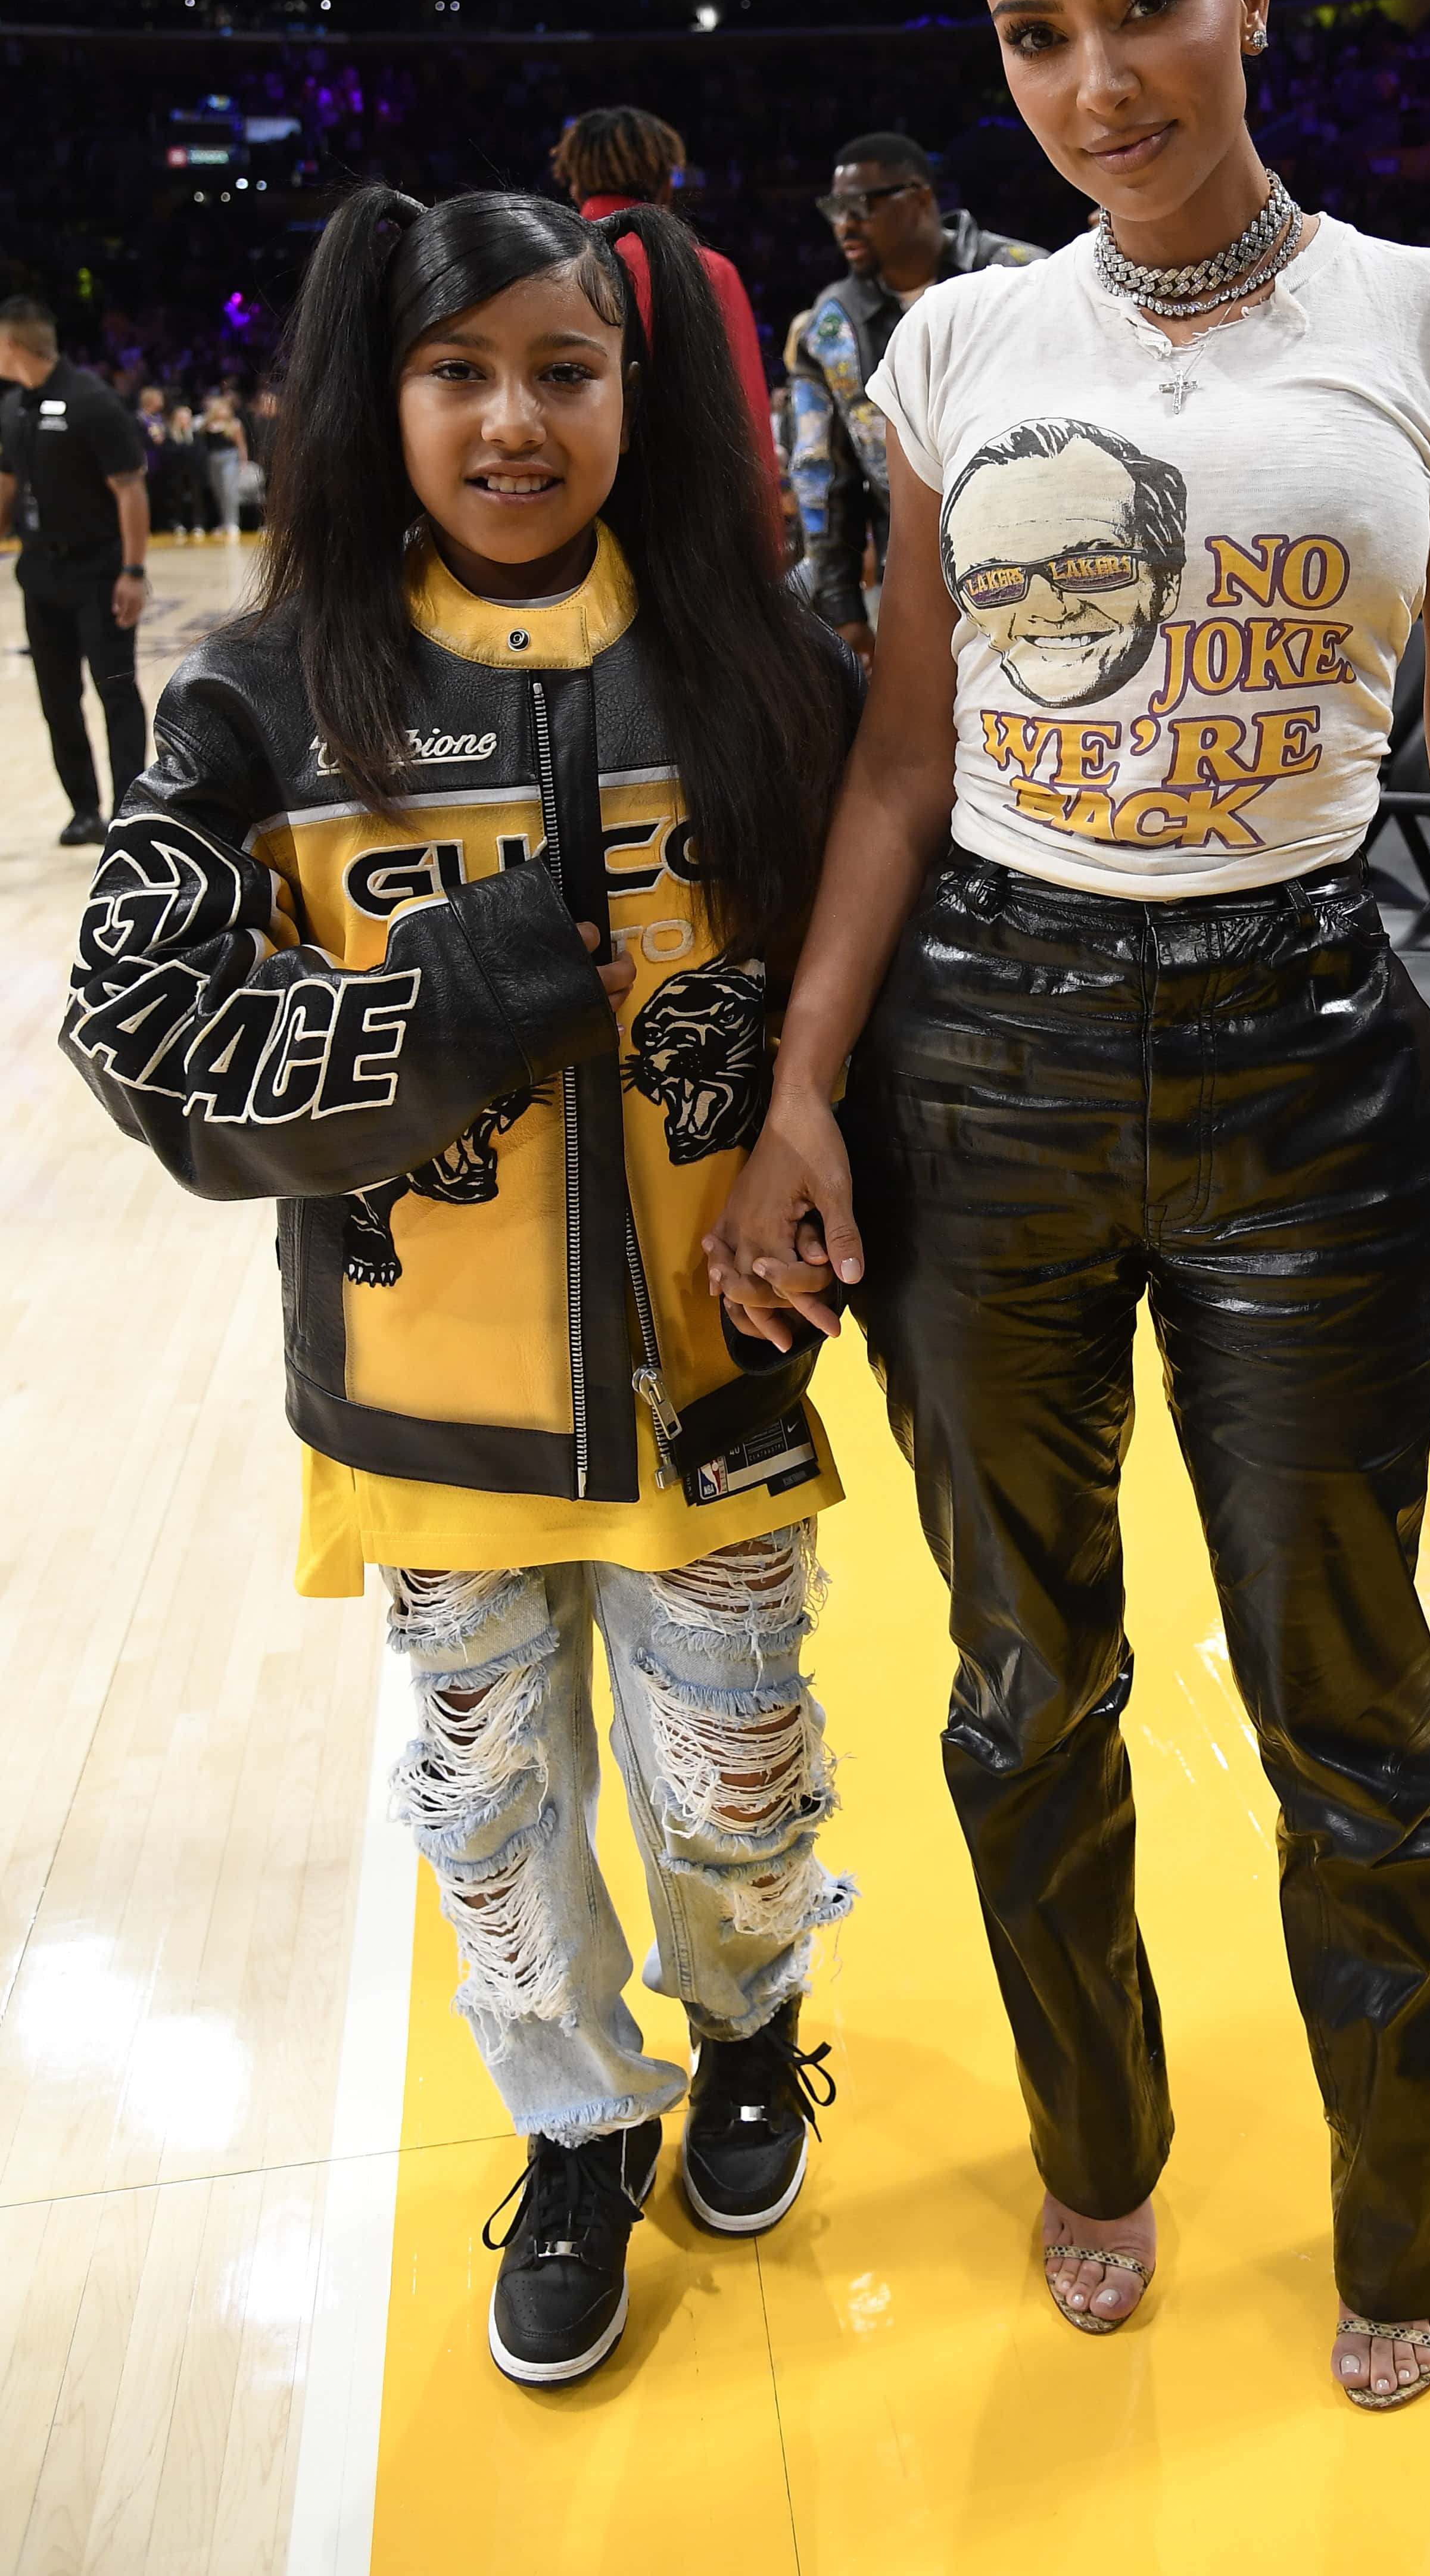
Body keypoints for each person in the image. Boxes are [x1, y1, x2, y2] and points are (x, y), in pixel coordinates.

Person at [706, 0, 1430, 2412]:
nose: (1095, 82)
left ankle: (1400, 2199)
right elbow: (896, 754)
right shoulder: (952, 339)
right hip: (987, 1068)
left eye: (1144, 7)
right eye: (1032, 39)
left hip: (1319, 1061)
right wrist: (805, 1078)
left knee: (1348, 1706)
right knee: (1015, 1679)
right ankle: (1099, 2141)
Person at [61, 189, 861, 2388]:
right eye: (455, 372)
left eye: (564, 370)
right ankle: (578, 2125)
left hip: (718, 1385)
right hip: (431, 1419)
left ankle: (753, 2025)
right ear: (371, 396)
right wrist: (453, 999)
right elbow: (139, 1026)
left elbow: (877, 993)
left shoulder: (757, 664)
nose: (513, 418)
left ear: (637, 390)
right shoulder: (256, 688)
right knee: (489, 1820)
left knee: (735, 1787)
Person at [795, 133, 1045, 656]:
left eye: (861, 205)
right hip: (913, 581)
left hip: (1041, 558)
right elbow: (824, 474)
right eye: (835, 208)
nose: (845, 224)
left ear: (922, 197)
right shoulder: (832, 324)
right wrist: (842, 609)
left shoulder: (1026, 277)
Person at [549, 103, 780, 542]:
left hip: (567, 524)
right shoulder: (710, 272)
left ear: (575, 179)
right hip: (686, 534)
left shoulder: (542, 267)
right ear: (662, 179)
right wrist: (764, 547)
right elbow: (745, 420)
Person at [0, 292, 150, 845]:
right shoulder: (13, 406)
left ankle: (130, 810)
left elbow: (130, 489)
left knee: (115, 690)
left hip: (99, 572)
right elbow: (8, 482)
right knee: (56, 698)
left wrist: (133, 570)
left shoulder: (92, 401)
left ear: (11, 343)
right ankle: (84, 808)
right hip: (40, 573)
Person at [150, 400, 211, 539]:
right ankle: (178, 523)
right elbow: (169, 453)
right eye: (183, 417)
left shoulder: (196, 434)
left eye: (187, 417)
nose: (185, 420)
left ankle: (198, 524)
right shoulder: (171, 435)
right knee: (177, 497)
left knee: (197, 497)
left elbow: (200, 452)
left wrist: (185, 451)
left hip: (194, 472)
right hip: (176, 472)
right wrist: (184, 451)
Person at [199, 390, 249, 538]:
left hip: (229, 458)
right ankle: (224, 522)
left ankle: (233, 523)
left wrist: (243, 462)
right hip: (213, 459)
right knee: (218, 491)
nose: (224, 411)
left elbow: (241, 445)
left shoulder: (234, 424)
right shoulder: (208, 425)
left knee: (229, 491)